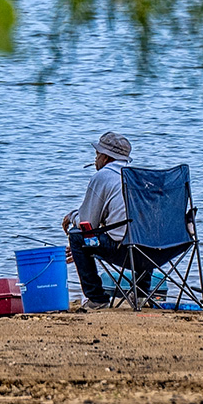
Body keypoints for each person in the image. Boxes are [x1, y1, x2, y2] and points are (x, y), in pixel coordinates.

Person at [63, 131, 137, 308]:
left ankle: (96, 299)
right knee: (140, 233)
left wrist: (71, 216)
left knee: (77, 236)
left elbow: (87, 223)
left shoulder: (102, 176)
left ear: (105, 157)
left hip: (123, 250)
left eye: (97, 154)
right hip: (157, 251)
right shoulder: (138, 176)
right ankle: (141, 293)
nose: (95, 159)